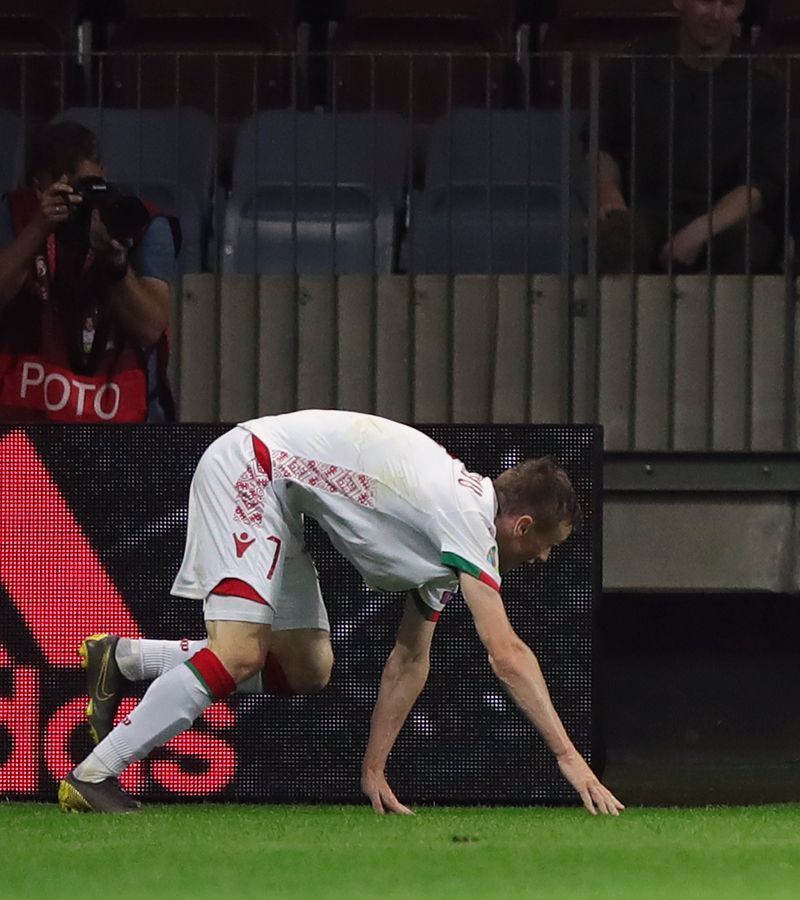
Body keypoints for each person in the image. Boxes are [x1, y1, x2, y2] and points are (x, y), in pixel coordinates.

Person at [59, 409, 623, 816]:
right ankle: (94, 774)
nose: (546, 558)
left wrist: (373, 768)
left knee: (308, 667)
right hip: (249, 470)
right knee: (238, 654)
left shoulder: (454, 543)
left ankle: (124, 660)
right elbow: (506, 654)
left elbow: (409, 658)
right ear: (521, 525)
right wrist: (568, 757)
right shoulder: (465, 519)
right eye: (549, 544)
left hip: (283, 496)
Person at [0, 121, 179, 423]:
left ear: (104, 176)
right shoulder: (16, 214)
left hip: (121, 428)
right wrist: (38, 228)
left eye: (89, 187)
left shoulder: (140, 222)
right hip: (24, 434)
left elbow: (150, 328)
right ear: (37, 187)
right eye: (68, 193)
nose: (80, 202)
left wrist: (115, 264)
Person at [592, 0, 784, 274]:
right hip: (648, 211)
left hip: (726, 220)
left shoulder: (764, 79)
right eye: (706, 1)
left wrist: (699, 232)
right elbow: (602, 144)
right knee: (615, 238)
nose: (716, 15)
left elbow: (762, 183)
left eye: (729, 4)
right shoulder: (634, 65)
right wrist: (608, 195)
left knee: (748, 246)